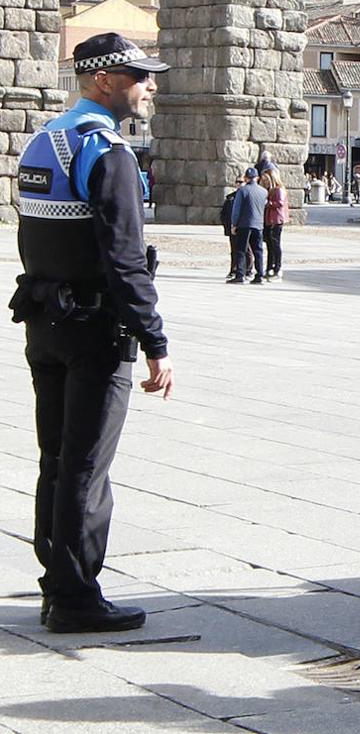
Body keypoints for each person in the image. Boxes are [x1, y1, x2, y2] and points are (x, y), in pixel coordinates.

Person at [9, 32, 174, 633]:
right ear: (104, 80)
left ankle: (57, 580)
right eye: (140, 75)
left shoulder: (41, 142)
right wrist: (154, 342)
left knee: (55, 458)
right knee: (86, 467)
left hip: (45, 322)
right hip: (96, 333)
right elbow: (124, 258)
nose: (150, 85)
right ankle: (77, 599)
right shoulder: (108, 153)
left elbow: (31, 234)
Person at [229, 167, 267, 284]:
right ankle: (260, 274)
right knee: (258, 250)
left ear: (246, 178)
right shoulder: (263, 192)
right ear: (257, 178)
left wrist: (234, 224)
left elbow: (237, 209)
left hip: (244, 224)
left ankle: (240, 274)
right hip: (258, 224)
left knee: (241, 249)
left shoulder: (242, 191)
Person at [261, 166, 289, 281]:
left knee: (275, 244)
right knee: (270, 245)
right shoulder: (269, 190)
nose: (265, 182)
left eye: (266, 180)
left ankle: (277, 268)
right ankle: (269, 267)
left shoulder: (278, 190)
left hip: (275, 220)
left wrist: (268, 203)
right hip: (269, 219)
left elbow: (280, 203)